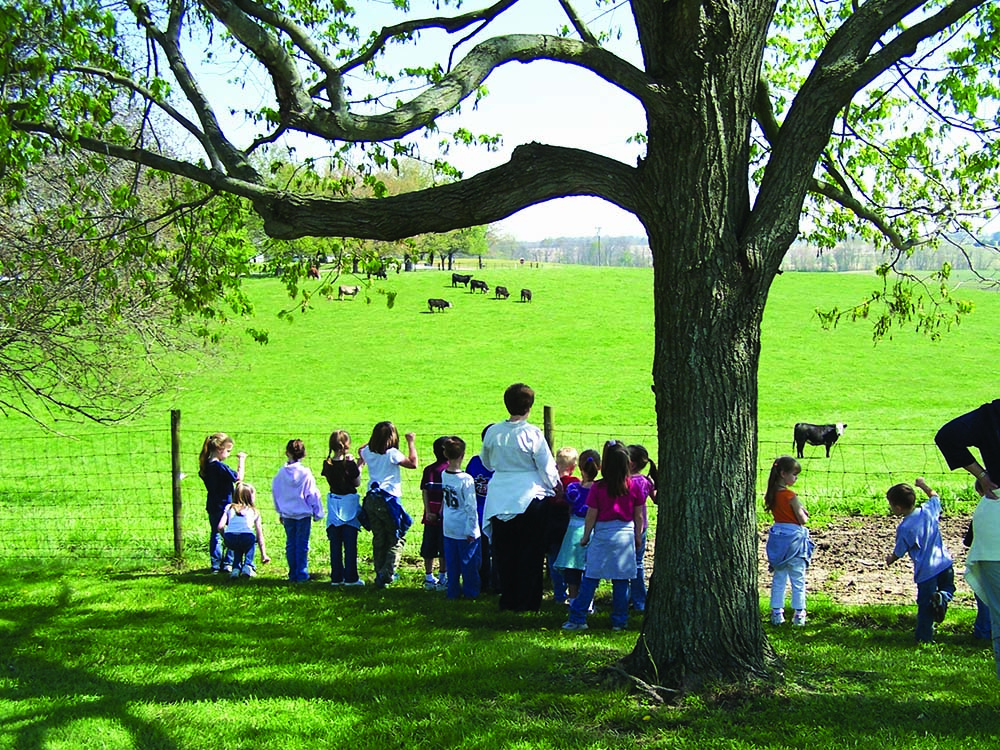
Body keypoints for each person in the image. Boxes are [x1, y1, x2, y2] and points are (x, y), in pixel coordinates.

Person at [480, 383, 560, 612]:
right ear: (530, 406)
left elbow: (486, 461)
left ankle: (509, 598)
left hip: (500, 496)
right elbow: (546, 466)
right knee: (531, 552)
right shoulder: (532, 433)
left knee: (505, 551)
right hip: (530, 496)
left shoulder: (494, 431)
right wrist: (556, 486)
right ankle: (529, 601)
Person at [562, 441, 646, 632]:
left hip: (602, 535)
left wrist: (585, 536)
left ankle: (578, 618)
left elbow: (592, 514)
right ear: (627, 464)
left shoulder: (598, 488)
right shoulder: (634, 487)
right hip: (625, 536)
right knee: (622, 580)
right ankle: (619, 620)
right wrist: (638, 536)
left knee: (590, 577)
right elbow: (638, 515)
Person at [885, 477, 955, 643]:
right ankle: (943, 597)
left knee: (925, 606)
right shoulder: (928, 510)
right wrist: (922, 484)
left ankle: (924, 638)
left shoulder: (905, 527)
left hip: (926, 572)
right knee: (949, 587)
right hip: (944, 562)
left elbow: (900, 551)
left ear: (898, 507)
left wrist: (890, 559)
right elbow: (935, 496)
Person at [358, 421, 418, 588]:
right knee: (395, 537)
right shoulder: (392, 453)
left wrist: (372, 442)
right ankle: (387, 573)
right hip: (389, 499)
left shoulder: (367, 452)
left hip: (371, 498)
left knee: (379, 536)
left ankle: (379, 571)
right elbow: (413, 463)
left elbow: (360, 449)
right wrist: (410, 442)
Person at [764, 455, 813, 626]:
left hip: (778, 536)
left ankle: (777, 613)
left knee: (779, 577)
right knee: (797, 577)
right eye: (794, 474)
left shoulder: (772, 494)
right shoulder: (790, 495)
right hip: (794, 539)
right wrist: (803, 512)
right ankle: (799, 614)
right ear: (783, 474)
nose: (795, 478)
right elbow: (802, 520)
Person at [272, 439, 324, 583]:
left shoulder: (280, 474)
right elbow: (312, 493)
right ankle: (302, 573)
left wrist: (280, 511)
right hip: (303, 513)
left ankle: (293, 573)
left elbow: (276, 492)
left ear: (286, 453)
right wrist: (317, 511)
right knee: (302, 544)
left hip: (288, 513)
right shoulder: (305, 473)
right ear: (303, 454)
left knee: (291, 543)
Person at [554, 448, 600, 607]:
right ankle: (588, 602)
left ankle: (573, 600)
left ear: (579, 468)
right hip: (592, 529)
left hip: (573, 528)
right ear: (599, 467)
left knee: (573, 567)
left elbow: (569, 508)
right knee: (589, 567)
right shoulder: (600, 489)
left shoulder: (573, 488)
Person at [964, 477, 1000, 677]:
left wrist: (981, 474)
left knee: (992, 609)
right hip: (990, 547)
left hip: (988, 547)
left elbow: (968, 541)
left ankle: (982, 631)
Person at [198, 432, 247, 573]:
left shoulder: (205, 465)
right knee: (230, 532)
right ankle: (228, 562)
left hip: (212, 504)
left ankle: (215, 564)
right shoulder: (220, 467)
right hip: (226, 504)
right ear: (220, 449)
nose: (229, 454)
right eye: (228, 451)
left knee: (215, 533)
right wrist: (241, 460)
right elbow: (238, 478)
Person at [321, 429, 364, 586]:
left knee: (335, 544)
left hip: (334, 504)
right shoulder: (349, 463)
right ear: (346, 446)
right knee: (350, 543)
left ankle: (336, 577)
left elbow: (334, 478)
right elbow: (356, 482)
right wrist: (358, 464)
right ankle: (351, 577)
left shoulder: (327, 463)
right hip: (349, 505)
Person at [440, 436, 481, 599]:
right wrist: (472, 529)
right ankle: (471, 593)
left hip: (449, 524)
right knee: (469, 562)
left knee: (452, 562)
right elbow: (471, 506)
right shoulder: (466, 479)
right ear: (462, 454)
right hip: (464, 526)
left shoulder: (444, 474)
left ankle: (453, 591)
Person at [935, 400, 1000, 498]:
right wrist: (982, 476)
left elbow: (948, 436)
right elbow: (948, 437)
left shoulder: (991, 415)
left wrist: (982, 475)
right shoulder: (992, 414)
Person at [464, 424, 496, 593]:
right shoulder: (499, 463)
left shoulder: (475, 462)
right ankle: (490, 583)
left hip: (485, 513)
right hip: (487, 513)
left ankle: (488, 583)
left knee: (486, 551)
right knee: (487, 551)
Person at [546, 446, 579, 603]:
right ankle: (571, 589)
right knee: (570, 560)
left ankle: (559, 593)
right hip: (568, 526)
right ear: (573, 467)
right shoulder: (574, 483)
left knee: (553, 559)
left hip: (551, 526)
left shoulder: (549, 482)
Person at [217, 481, 270, 577]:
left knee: (237, 545)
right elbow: (259, 533)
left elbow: (220, 526)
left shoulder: (229, 507)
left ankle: (236, 569)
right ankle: (248, 566)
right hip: (246, 537)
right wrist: (263, 554)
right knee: (250, 540)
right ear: (250, 497)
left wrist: (226, 537)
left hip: (230, 537)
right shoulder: (254, 511)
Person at [626, 444, 656, 612]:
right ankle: (638, 600)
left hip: (626, 526)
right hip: (641, 527)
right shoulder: (645, 481)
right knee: (638, 563)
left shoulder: (625, 482)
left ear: (631, 464)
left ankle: (636, 600)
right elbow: (656, 498)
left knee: (629, 564)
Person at [419, 436, 449, 591]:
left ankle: (429, 576)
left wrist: (428, 511)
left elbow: (424, 491)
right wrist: (440, 512)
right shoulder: (450, 470)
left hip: (430, 515)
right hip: (445, 517)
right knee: (444, 547)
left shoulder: (429, 469)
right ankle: (443, 576)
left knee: (429, 547)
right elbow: (447, 493)